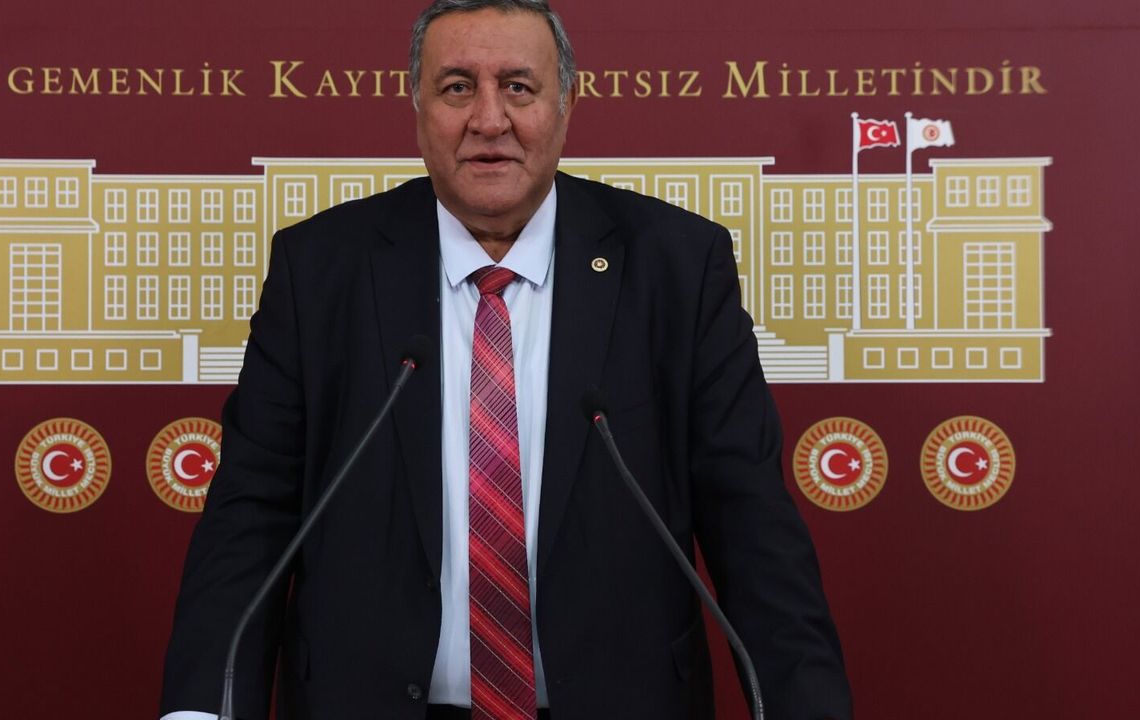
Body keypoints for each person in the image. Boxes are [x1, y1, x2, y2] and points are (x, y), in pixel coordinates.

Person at [160, 1, 852, 718]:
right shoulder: (320, 269)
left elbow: (752, 524)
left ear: (566, 105)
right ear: (418, 106)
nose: (489, 120)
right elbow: (250, 517)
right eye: (457, 87)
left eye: (518, 87)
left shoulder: (675, 267)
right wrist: (203, 707)